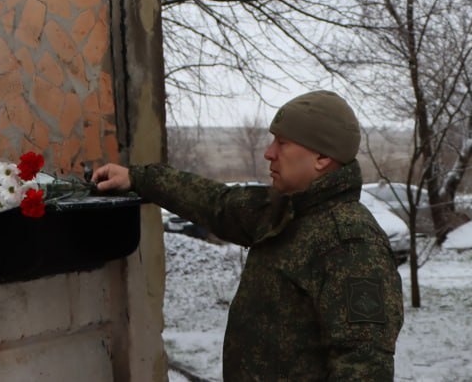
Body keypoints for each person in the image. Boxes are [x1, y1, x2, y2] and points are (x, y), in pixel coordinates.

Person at [93, 89, 403, 381]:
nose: (269, 154)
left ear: (322, 157)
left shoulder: (350, 244)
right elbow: (217, 203)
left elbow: (364, 364)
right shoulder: (284, 212)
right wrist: (137, 177)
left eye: (282, 143)